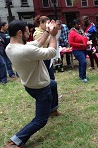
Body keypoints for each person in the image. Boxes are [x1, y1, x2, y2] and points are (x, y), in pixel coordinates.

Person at [4, 20, 59, 148]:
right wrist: (53, 35)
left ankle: (53, 110)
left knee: (53, 84)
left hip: (31, 84)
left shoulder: (10, 47)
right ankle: (15, 141)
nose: (29, 34)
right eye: (27, 31)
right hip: (40, 88)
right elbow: (51, 52)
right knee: (40, 120)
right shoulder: (25, 50)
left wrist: (46, 31)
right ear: (19, 33)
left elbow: (36, 43)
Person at [33, 15, 55, 80]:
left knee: (51, 77)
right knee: (48, 77)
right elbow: (39, 46)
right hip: (43, 57)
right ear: (41, 23)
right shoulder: (38, 33)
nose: (49, 25)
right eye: (47, 23)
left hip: (47, 56)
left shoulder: (46, 31)